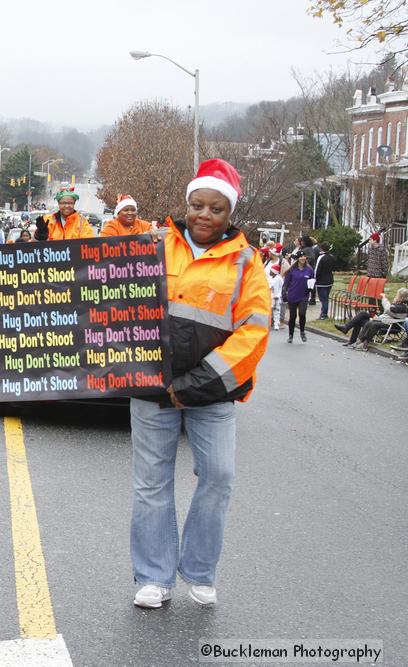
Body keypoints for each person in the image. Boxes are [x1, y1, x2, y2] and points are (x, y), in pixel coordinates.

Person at [131, 158, 269, 609]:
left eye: (215, 209)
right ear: (186, 204)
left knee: (219, 476)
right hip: (152, 389)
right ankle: (153, 577)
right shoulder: (153, 246)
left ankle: (200, 570)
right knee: (152, 483)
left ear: (230, 214)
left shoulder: (247, 262)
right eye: (197, 205)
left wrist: (193, 385)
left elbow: (253, 333)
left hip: (213, 394)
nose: (204, 216)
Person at [334, 288, 408, 351]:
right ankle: (349, 334)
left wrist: (384, 298)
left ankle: (363, 343)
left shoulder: (403, 307)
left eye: (397, 295)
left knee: (372, 324)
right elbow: (388, 313)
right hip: (384, 321)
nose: (395, 296)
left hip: (392, 326)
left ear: (401, 298)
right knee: (362, 314)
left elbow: (388, 309)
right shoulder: (397, 305)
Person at [282, 250, 313, 343]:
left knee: (302, 314)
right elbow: (286, 283)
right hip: (293, 295)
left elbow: (313, 280)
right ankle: (291, 335)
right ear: (297, 259)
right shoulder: (292, 270)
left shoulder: (309, 269)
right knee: (293, 316)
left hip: (304, 295)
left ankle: (302, 331)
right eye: (301, 257)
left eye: (304, 257)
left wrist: (311, 287)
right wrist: (284, 293)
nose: (303, 258)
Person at [314, 242, 335, 320]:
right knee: (326, 298)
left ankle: (323, 314)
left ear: (321, 248)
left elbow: (317, 269)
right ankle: (324, 313)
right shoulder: (332, 257)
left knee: (323, 299)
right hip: (329, 280)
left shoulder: (321, 257)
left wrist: (315, 279)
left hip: (321, 281)